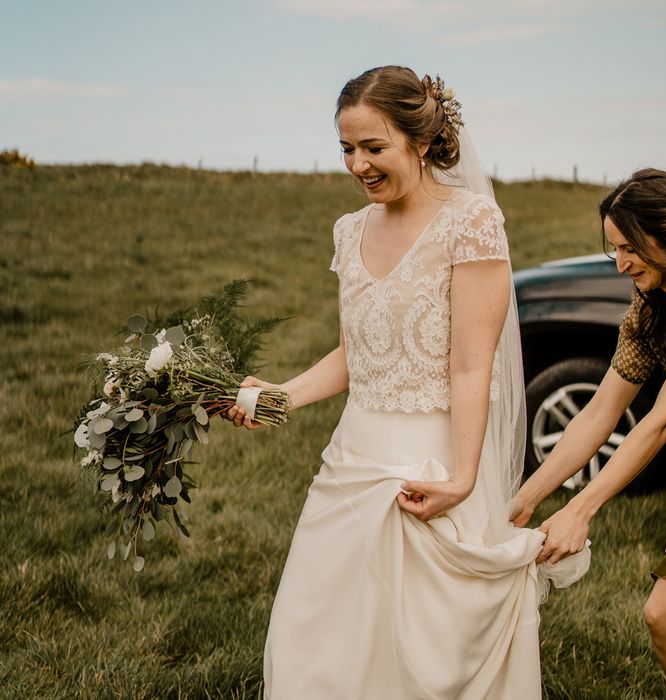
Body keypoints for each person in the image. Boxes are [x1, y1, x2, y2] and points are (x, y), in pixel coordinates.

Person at [227, 65, 589, 699]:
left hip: (435, 461)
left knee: (425, 650)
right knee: (313, 631)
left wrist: (463, 478)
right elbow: (353, 354)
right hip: (352, 460)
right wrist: (278, 396)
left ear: (421, 142)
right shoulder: (349, 230)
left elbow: (472, 364)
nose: (358, 164)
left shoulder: (471, 223)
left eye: (373, 147)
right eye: (346, 148)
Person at [510, 168, 666, 699]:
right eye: (614, 250)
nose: (621, 264)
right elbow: (598, 413)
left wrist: (581, 510)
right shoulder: (648, 310)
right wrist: (527, 499)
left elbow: (661, 423)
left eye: (630, 248)